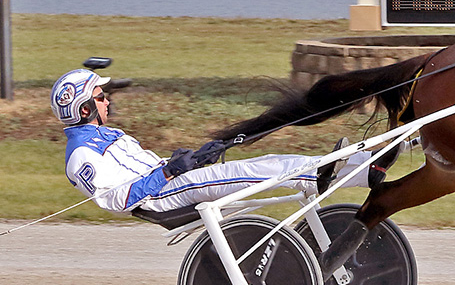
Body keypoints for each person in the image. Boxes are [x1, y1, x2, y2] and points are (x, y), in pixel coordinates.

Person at [51, 69, 402, 214]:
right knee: (265, 170)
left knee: (269, 160)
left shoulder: (106, 134)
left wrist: (188, 160)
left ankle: (364, 168)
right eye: (99, 97)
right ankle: (350, 172)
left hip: (170, 183)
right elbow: (118, 199)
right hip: (162, 197)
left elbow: (146, 169)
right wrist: (170, 172)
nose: (107, 101)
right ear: (83, 109)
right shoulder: (80, 155)